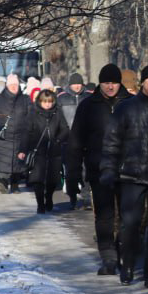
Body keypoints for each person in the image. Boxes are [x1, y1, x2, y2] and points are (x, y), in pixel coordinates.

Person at [101, 63, 148, 287]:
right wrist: (108, 169)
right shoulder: (126, 108)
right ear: (142, 81)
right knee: (130, 225)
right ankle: (128, 266)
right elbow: (112, 141)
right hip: (131, 176)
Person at [69, 64, 124, 273]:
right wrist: (74, 173)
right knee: (104, 215)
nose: (110, 87)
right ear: (100, 83)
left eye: (114, 82)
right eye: (106, 83)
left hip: (126, 169)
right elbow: (75, 142)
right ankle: (108, 257)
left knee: (127, 216)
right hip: (97, 168)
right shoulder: (88, 106)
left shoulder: (129, 104)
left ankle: (123, 251)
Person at [18, 88, 70, 213]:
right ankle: (40, 203)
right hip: (37, 150)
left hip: (54, 151)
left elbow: (65, 129)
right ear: (39, 102)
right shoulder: (32, 114)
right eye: (45, 101)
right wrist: (22, 150)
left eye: (50, 101)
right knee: (38, 179)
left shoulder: (57, 113)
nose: (47, 104)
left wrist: (58, 140)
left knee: (52, 179)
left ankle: (49, 197)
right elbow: (26, 133)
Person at [0, 73, 31, 193]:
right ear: (7, 86)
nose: (14, 87)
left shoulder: (25, 99)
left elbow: (30, 116)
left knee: (18, 162)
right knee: (4, 161)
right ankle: (3, 181)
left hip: (20, 135)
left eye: (16, 85)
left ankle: (15, 185)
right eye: (12, 85)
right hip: (2, 136)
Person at [57, 74, 87, 208]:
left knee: (87, 170)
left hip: (85, 139)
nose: (77, 86)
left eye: (79, 83)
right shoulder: (62, 98)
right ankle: (73, 197)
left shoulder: (88, 97)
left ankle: (87, 198)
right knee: (71, 171)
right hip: (68, 139)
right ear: (70, 85)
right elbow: (58, 118)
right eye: (75, 84)